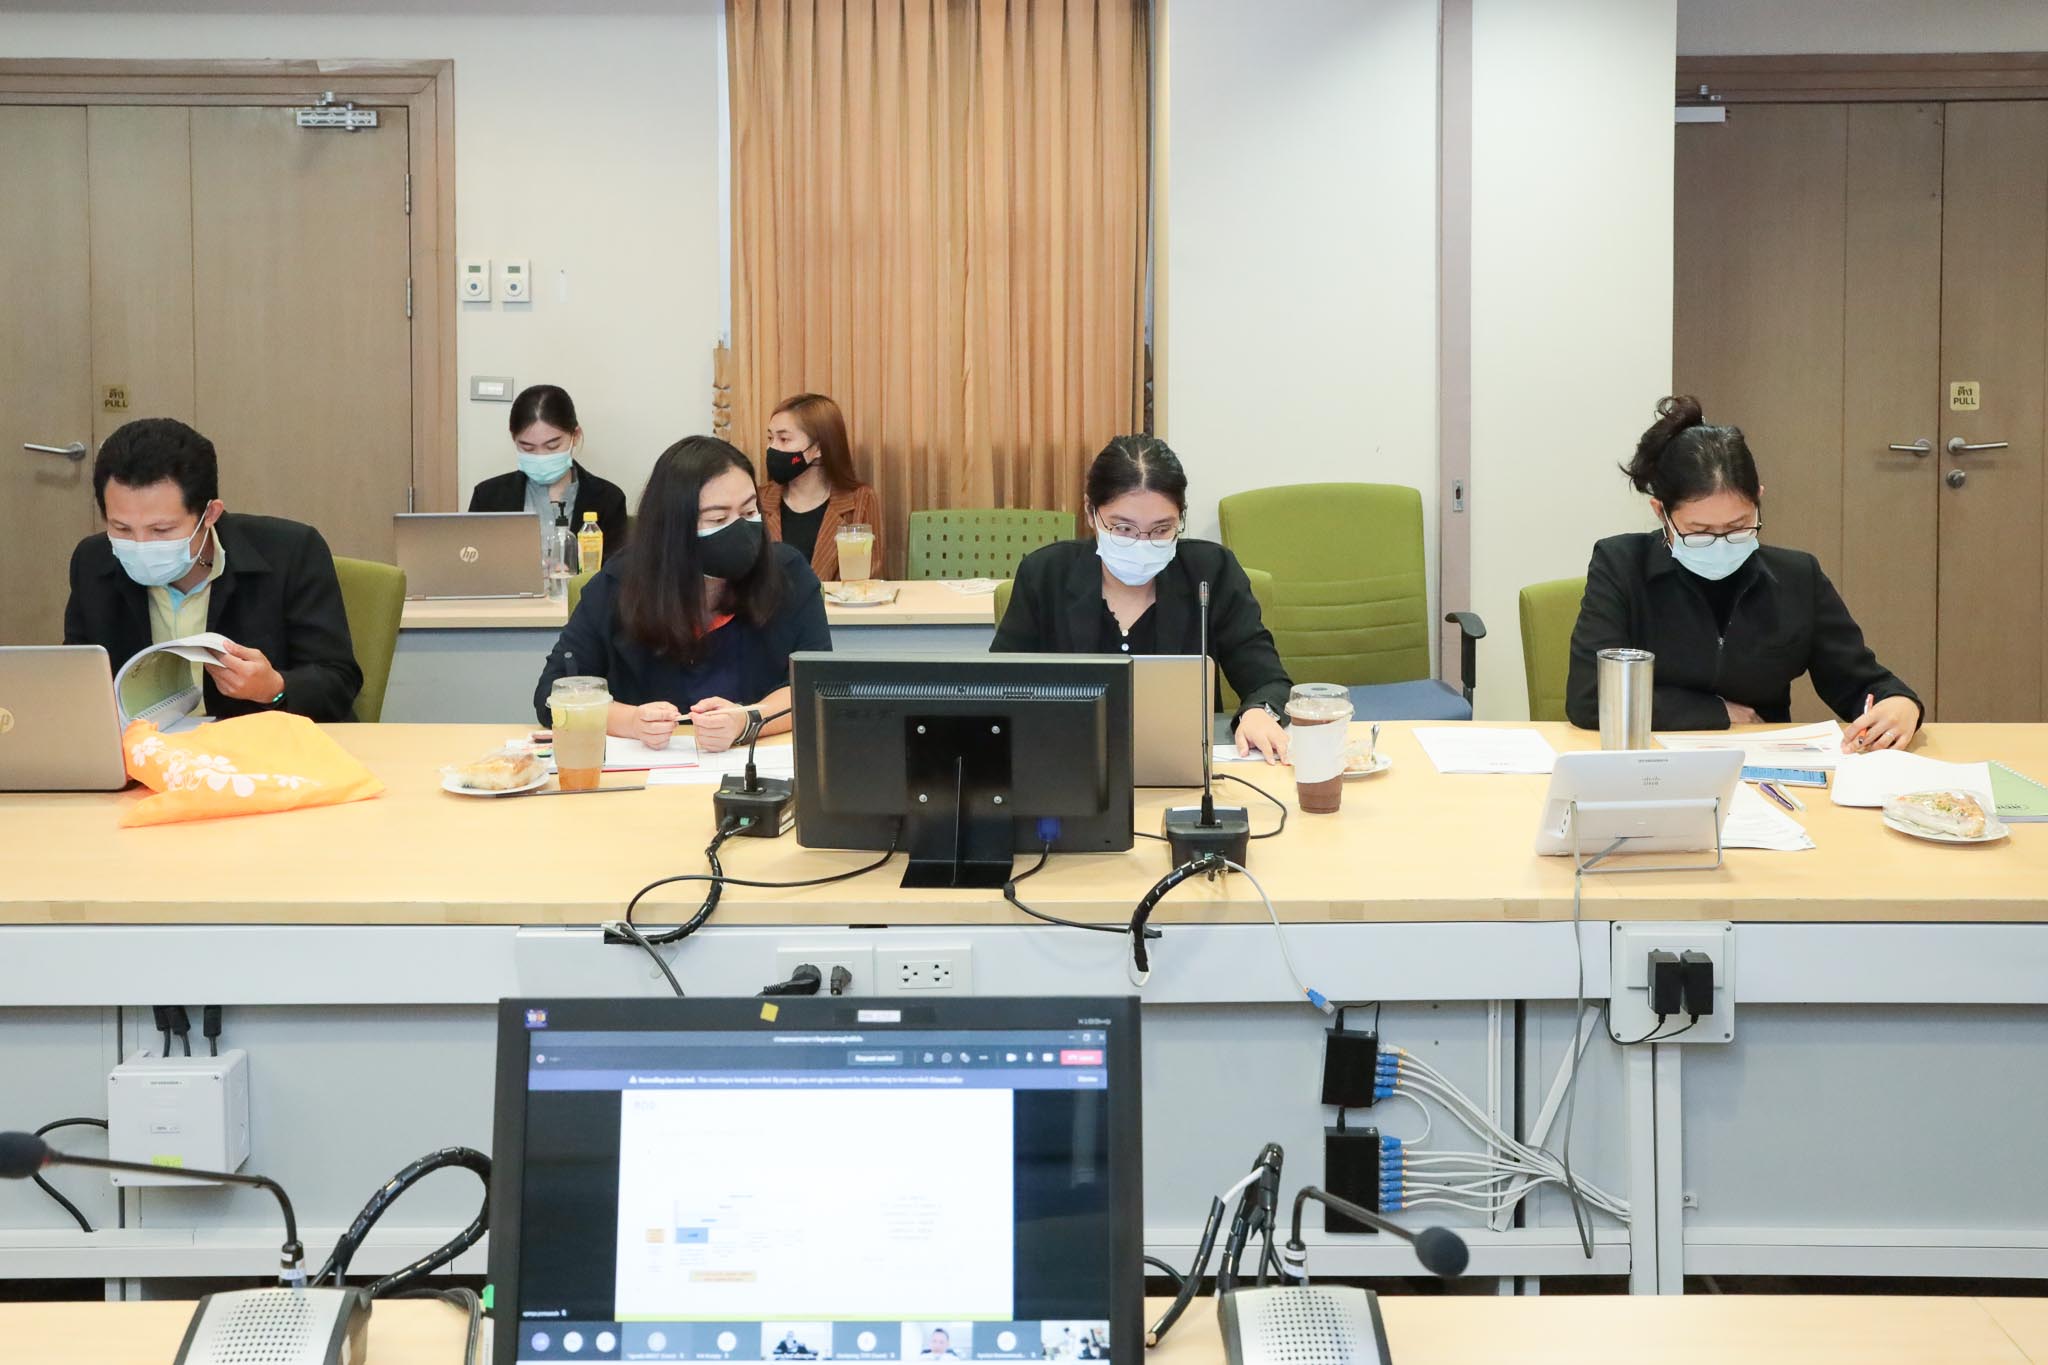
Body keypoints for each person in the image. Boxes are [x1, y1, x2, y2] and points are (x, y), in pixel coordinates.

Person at [1567, 395, 1922, 750]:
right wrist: (1717, 712)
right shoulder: (1621, 565)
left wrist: (1901, 705)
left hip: (1764, 763)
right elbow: (1591, 697)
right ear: (1661, 513)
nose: (1721, 544)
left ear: (1758, 500)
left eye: (1738, 527)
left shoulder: (1798, 577)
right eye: (1700, 532)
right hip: (1653, 761)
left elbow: (1859, 682)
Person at [992, 435, 1292, 762]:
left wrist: (1260, 713)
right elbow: (995, 688)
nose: (1143, 544)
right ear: (1091, 513)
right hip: (1066, 764)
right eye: (1123, 529)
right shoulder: (1045, 575)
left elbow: (1269, 683)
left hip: (1181, 766)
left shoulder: (1211, 572)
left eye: (1162, 529)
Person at [533, 435, 829, 753]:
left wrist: (747, 721)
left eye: (748, 512)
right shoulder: (619, 583)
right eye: (718, 519)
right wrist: (631, 721)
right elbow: (552, 696)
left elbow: (817, 685)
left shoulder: (788, 575)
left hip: (751, 764)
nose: (740, 530)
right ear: (672, 528)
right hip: (645, 769)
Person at [63, 417, 363, 722]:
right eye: (122, 528)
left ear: (210, 514)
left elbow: (339, 682)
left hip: (257, 741)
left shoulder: (291, 551)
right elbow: (76, 678)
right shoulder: (93, 561)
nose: (141, 545)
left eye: (161, 530)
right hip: (144, 744)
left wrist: (274, 688)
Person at [469, 384, 629, 564]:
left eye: (552, 446)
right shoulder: (488, 496)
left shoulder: (608, 499)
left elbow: (616, 572)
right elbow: (472, 564)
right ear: (514, 439)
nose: (541, 457)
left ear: (575, 436)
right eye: (528, 448)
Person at [757, 392, 883, 581]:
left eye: (784, 439)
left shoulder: (861, 500)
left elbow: (866, 580)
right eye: (770, 438)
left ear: (818, 448)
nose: (772, 448)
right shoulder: (757, 500)